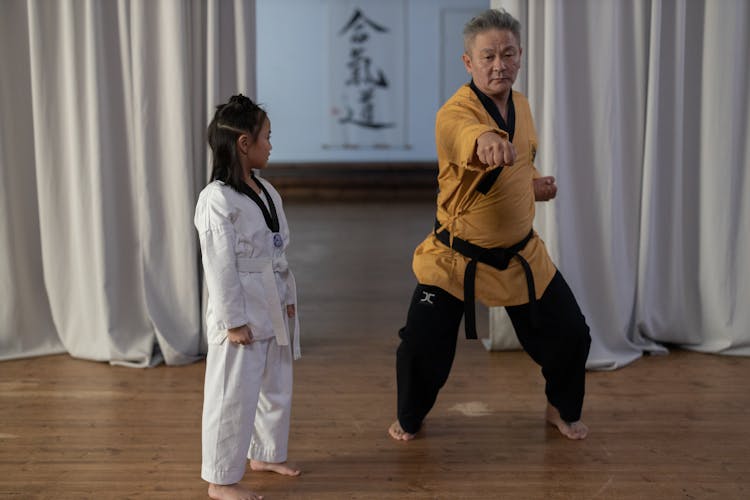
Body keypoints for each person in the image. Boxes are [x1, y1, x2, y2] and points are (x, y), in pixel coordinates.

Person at [389, 9, 591, 443]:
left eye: (507, 54)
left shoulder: (521, 105)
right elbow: (469, 135)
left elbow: (518, 164)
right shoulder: (453, 113)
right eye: (488, 57)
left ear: (519, 56)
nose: (499, 64)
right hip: (454, 257)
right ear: (468, 63)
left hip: (521, 254)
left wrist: (532, 186)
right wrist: (487, 139)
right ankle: (409, 418)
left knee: (571, 334)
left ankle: (560, 407)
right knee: (421, 346)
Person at [195, 94, 302, 500]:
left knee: (276, 382)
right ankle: (220, 479)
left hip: (272, 299)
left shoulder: (265, 189)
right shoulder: (216, 200)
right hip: (240, 306)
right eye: (267, 138)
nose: (271, 145)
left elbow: (277, 249)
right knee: (233, 394)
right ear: (244, 143)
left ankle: (266, 452)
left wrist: (286, 299)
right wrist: (232, 320)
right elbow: (219, 266)